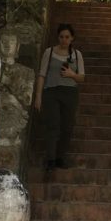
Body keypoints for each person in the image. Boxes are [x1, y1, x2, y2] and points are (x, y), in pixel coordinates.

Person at [35, 24, 85, 171]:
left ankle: (60, 157)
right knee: (53, 125)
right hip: (51, 92)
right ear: (58, 38)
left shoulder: (77, 55)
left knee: (67, 126)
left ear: (72, 38)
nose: (64, 40)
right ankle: (50, 159)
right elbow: (42, 75)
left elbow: (82, 77)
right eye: (61, 37)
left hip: (70, 93)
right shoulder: (49, 52)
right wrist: (38, 96)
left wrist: (72, 74)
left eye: (67, 37)